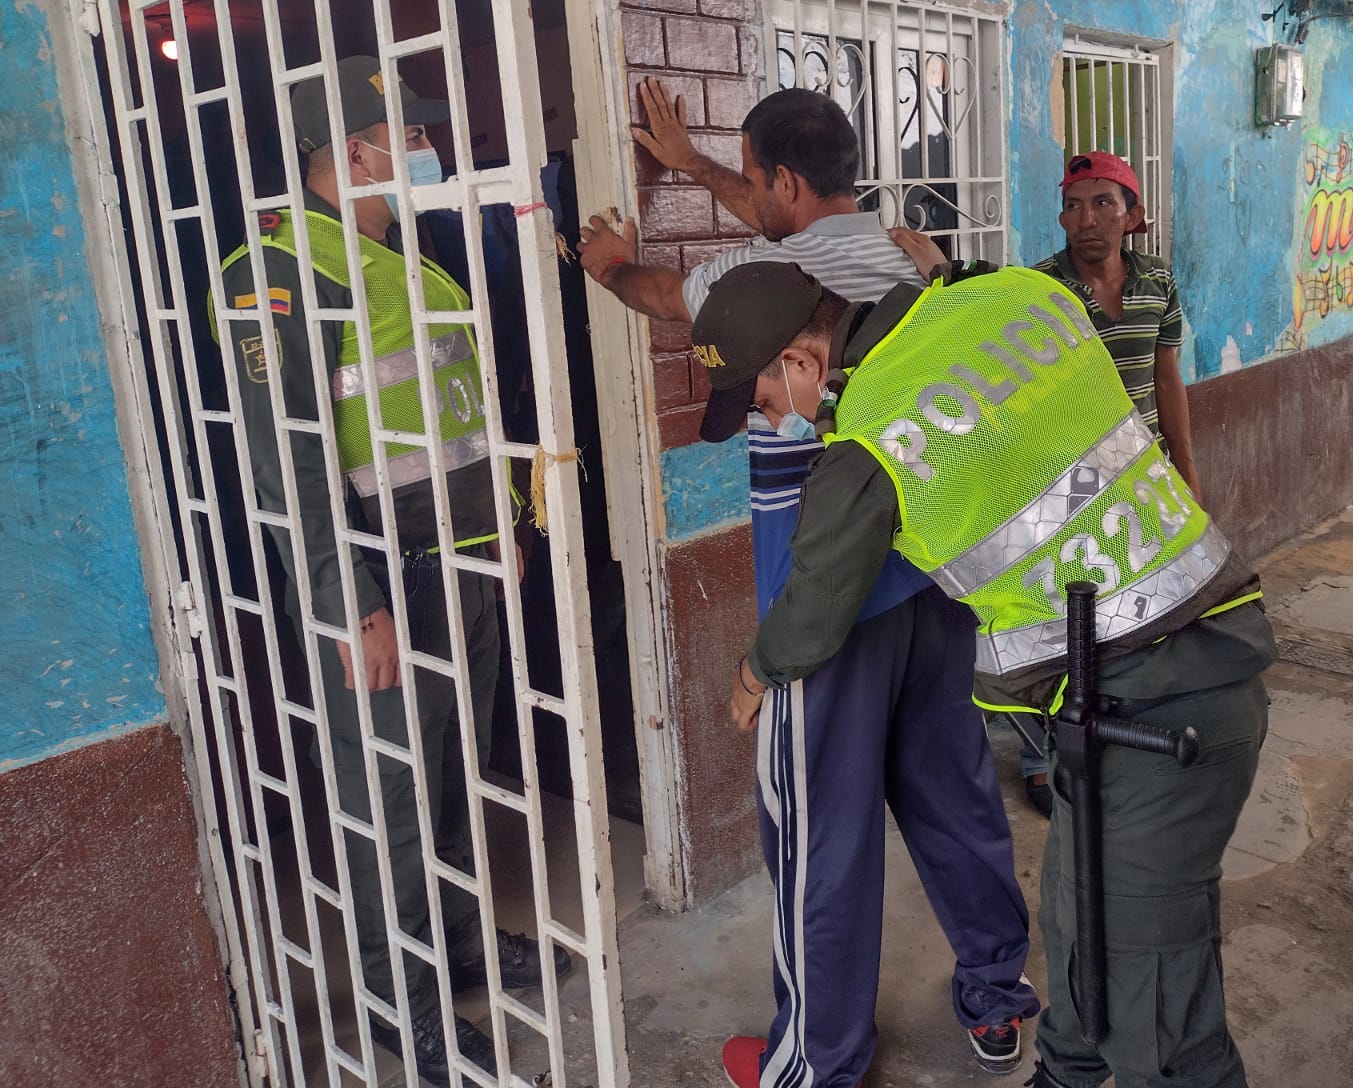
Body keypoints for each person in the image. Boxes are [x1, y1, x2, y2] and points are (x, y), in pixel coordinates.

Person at [691, 252, 1276, 1088]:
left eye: (765, 401)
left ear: (801, 364)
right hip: (1167, 650)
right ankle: (1061, 1068)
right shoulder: (1015, 294)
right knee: (1077, 926)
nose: (778, 417)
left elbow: (813, 609)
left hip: (1158, 704)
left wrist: (752, 677)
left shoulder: (870, 440)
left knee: (1161, 1026)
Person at [577, 82, 1038, 1086]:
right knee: (953, 792)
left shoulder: (758, 276)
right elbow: (786, 218)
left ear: (781, 180)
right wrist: (698, 167)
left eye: (748, 177)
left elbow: (664, 294)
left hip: (824, 596)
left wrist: (607, 261)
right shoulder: (905, 252)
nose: (742, 195)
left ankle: (813, 1062)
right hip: (932, 573)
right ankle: (997, 1001)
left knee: (819, 837)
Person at [211, 55, 566, 1086]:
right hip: (383, 584)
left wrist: (507, 521)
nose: (426, 152)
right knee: (390, 805)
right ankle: (397, 1007)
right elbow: (286, 462)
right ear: (353, 153)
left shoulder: (406, 257)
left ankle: (458, 941)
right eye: (408, 138)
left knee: (458, 774)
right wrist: (347, 602)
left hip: (463, 563)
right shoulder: (280, 269)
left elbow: (456, 417)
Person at [1007, 150, 1201, 816]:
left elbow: (1167, 379)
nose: (1085, 220)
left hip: (1143, 484)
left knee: (1133, 614)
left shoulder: (1158, 282)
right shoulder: (1041, 289)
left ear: (1133, 216)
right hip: (1064, 488)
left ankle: (1109, 731)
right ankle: (1041, 755)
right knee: (1056, 622)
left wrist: (1187, 474)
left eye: (1102, 204)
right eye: (1073, 205)